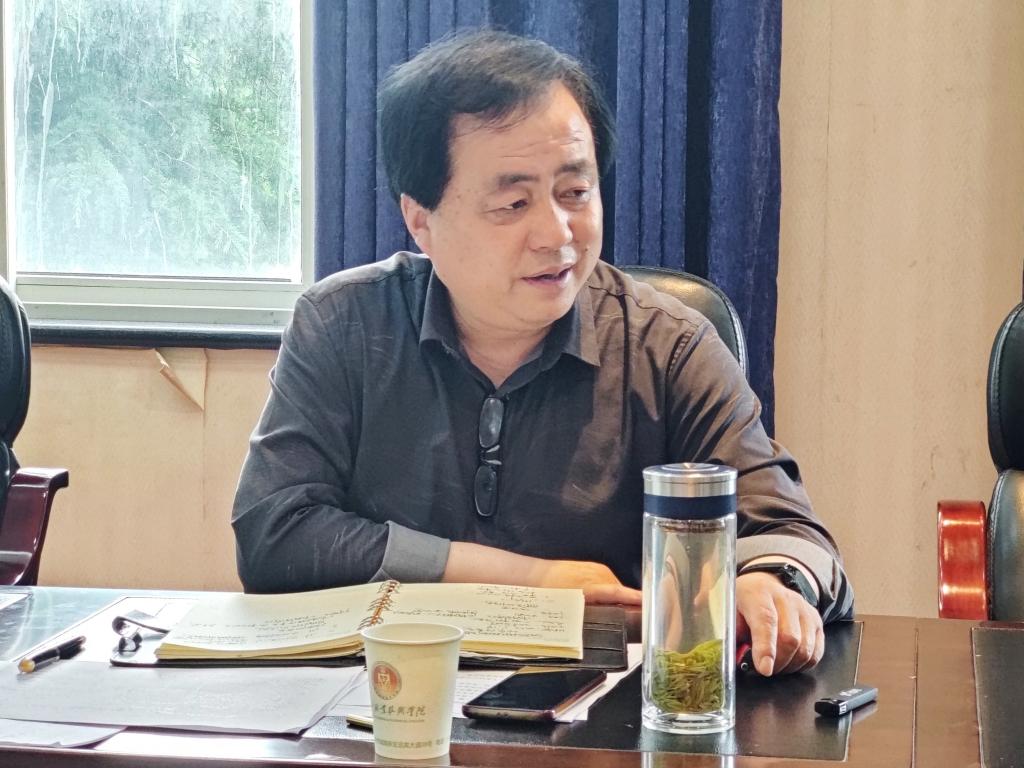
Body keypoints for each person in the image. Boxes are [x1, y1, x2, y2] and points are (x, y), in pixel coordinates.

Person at [232, 30, 853, 677]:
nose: (557, 234)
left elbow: (794, 537)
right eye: (513, 203)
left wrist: (770, 583)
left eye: (575, 192)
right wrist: (530, 579)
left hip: (607, 707)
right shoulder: (344, 324)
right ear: (421, 220)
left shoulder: (669, 346)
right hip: (386, 699)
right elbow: (275, 535)